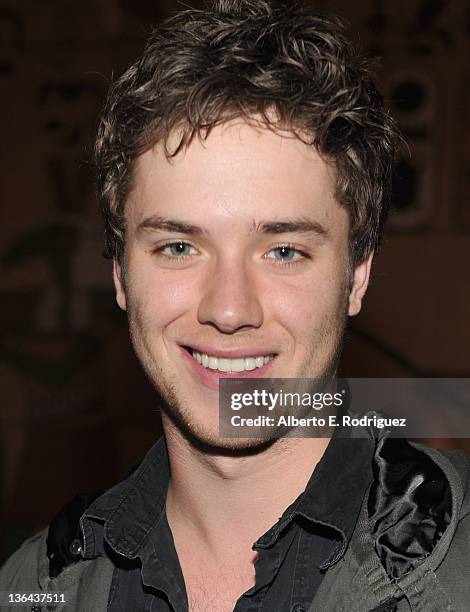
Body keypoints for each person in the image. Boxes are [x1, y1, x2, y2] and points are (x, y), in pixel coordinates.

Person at [1, 1, 469, 610]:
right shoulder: (36, 587)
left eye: (282, 251)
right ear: (120, 272)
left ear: (356, 276)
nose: (228, 309)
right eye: (178, 245)